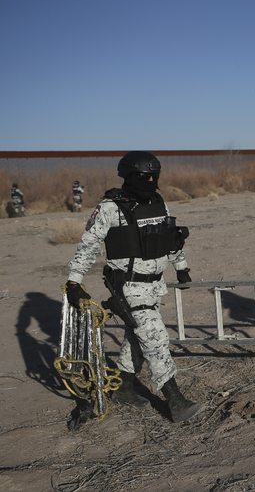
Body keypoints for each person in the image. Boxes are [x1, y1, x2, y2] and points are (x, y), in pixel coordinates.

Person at [65, 151, 202, 423]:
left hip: (154, 287)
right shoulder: (109, 208)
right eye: (144, 176)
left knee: (135, 340)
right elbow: (88, 245)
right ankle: (175, 401)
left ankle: (124, 389)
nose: (151, 180)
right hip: (129, 288)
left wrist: (181, 266)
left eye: (155, 176)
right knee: (155, 340)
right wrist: (73, 281)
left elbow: (168, 238)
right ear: (129, 176)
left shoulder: (157, 202)